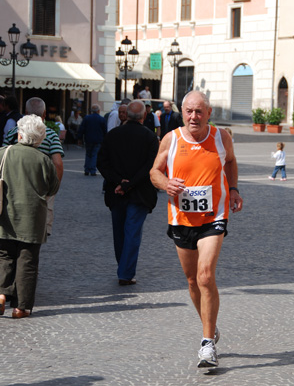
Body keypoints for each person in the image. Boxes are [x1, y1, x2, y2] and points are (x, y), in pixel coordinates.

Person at [150, 91, 243, 369]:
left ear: (208, 112)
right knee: (192, 281)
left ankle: (207, 345)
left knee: (205, 276)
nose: (194, 117)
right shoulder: (172, 139)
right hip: (181, 218)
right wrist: (166, 184)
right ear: (182, 112)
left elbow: (230, 162)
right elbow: (154, 171)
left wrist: (234, 188)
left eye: (199, 111)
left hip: (214, 216)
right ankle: (209, 325)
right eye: (189, 111)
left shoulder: (221, 137)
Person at [0, 115, 59, 319]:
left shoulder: (3, 153)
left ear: (19, 134)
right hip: (32, 218)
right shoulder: (42, 159)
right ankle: (21, 307)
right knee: (28, 260)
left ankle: (0, 295)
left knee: (4, 256)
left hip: (4, 215)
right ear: (40, 138)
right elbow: (53, 187)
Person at [97, 100, 159, 286]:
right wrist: (130, 184)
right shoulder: (149, 138)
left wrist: (119, 182)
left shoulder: (113, 135)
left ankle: (123, 268)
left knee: (119, 233)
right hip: (139, 192)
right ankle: (125, 271)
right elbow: (151, 166)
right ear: (144, 116)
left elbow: (102, 163)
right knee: (132, 232)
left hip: (116, 191)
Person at [3, 97, 64, 236]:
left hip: (15, 182)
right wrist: (53, 189)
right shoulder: (51, 135)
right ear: (44, 114)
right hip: (42, 184)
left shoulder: (13, 132)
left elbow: (5, 156)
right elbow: (58, 164)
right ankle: (42, 232)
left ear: (25, 113)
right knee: (41, 220)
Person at [77, 104, 107, 176]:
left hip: (88, 139)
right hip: (98, 140)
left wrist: (79, 138)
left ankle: (87, 170)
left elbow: (82, 128)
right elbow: (105, 131)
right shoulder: (102, 119)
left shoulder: (87, 118)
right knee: (94, 155)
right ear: (98, 111)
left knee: (88, 154)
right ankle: (93, 170)